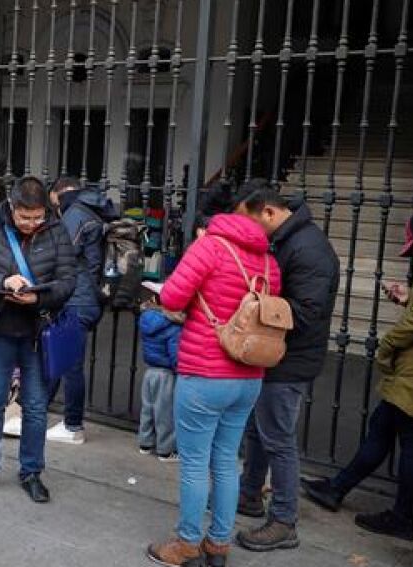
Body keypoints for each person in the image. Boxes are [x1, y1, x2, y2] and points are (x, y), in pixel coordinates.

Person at [302, 209, 413, 542]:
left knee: (411, 438)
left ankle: (404, 516)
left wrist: (390, 344)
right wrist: (411, 298)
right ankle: (337, 489)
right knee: (384, 425)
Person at [146, 211, 281, 567]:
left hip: (205, 371)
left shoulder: (209, 247)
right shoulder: (268, 261)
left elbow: (172, 297)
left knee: (194, 463)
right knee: (225, 460)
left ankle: (187, 544)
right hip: (249, 376)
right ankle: (218, 545)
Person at [228, 180, 340, 552]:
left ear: (269, 212)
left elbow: (306, 312)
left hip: (290, 358)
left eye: (248, 222)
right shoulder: (287, 240)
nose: (245, 230)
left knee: (278, 439)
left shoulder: (309, 249)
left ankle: (283, 520)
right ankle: (248, 494)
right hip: (273, 353)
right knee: (258, 430)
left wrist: (253, 307)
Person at [0, 176, 77, 504]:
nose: (31, 223)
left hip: (37, 334)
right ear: (12, 207)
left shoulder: (57, 231)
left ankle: (31, 472)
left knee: (36, 407)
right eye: (25, 217)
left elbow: (69, 281)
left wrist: (38, 298)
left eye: (38, 217)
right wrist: (2, 282)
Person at [43, 177, 113, 445]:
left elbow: (61, 254)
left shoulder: (76, 213)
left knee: (70, 365)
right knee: (59, 357)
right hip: (88, 298)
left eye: (54, 200)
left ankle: (73, 426)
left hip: (77, 299)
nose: (54, 207)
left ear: (60, 192)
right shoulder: (93, 211)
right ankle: (34, 410)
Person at [136, 298, 183, 461]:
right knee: (165, 413)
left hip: (150, 371)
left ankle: (145, 442)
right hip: (166, 373)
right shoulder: (173, 326)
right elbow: (175, 355)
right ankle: (166, 450)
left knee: (147, 409)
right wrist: (181, 371)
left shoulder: (147, 318)